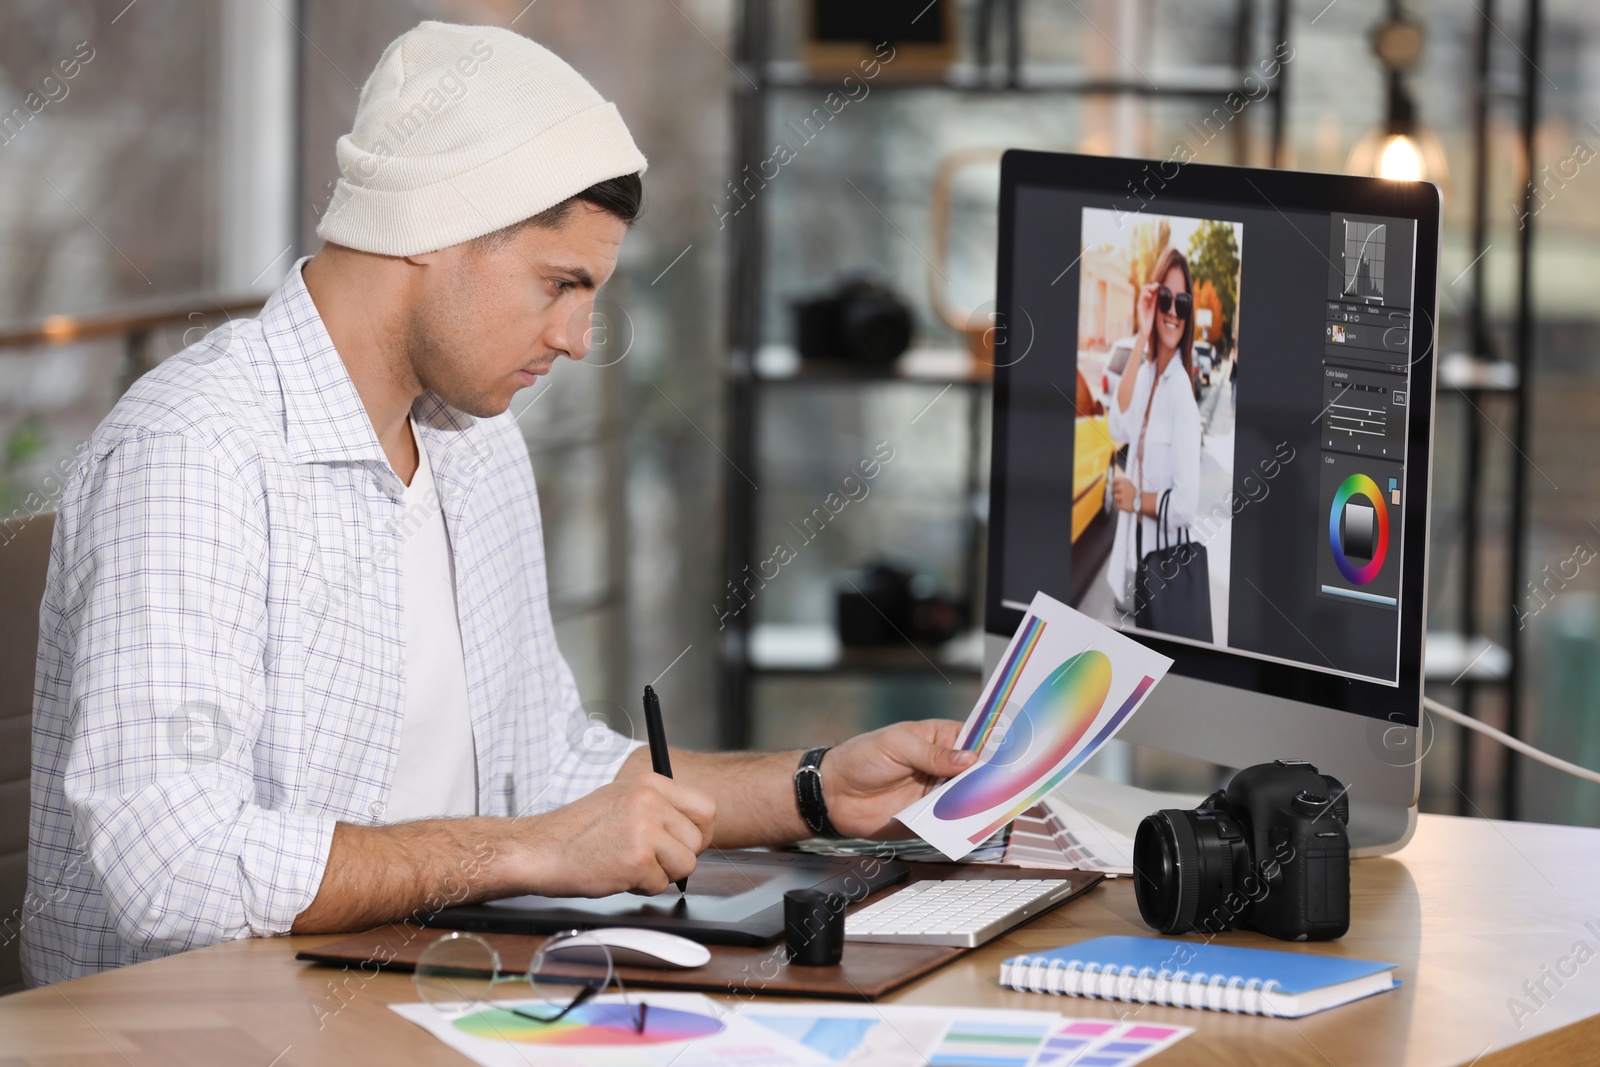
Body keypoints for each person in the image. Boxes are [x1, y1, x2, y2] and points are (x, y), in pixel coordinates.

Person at [22, 21, 975, 986]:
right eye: (560, 283)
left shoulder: (476, 447)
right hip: (205, 1026)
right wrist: (526, 851)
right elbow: (168, 865)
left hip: (434, 991)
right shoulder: (195, 448)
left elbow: (547, 768)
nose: (577, 337)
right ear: (432, 228)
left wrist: (815, 789)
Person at [1106, 247, 1203, 617]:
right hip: (1129, 570)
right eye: (1165, 299)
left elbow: (1185, 506)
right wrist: (1140, 334)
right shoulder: (1147, 376)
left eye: (1182, 302)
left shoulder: (1181, 393)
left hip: (1160, 576)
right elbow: (1118, 425)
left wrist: (1135, 499)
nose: (1173, 312)